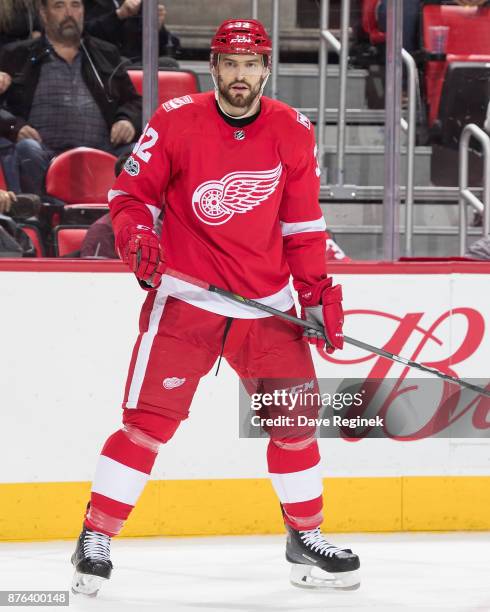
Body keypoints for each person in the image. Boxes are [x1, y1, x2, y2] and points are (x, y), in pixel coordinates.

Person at [70, 19, 360, 597]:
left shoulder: (292, 132)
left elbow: (302, 228)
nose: (240, 76)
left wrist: (319, 294)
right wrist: (138, 241)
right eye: (231, 64)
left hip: (268, 306)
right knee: (147, 426)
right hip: (187, 302)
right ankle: (95, 536)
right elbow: (130, 197)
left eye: (251, 65)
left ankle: (306, 535)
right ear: (215, 67)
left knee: (295, 427)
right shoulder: (175, 122)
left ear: (266, 69)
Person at [0, 0, 142, 196]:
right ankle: (40, 216)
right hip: (43, 152)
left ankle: (128, 217)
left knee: (137, 152)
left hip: (103, 150)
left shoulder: (105, 53)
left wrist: (126, 120)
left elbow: (134, 102)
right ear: (43, 13)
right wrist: (15, 126)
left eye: (75, 5)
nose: (69, 13)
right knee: (27, 149)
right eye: (59, 6)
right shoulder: (17, 54)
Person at [84, 0, 181, 64]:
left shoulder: (141, 3)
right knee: (121, 63)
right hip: (103, 62)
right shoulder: (86, 3)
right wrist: (118, 15)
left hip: (139, 63)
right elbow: (85, 32)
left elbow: (166, 46)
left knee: (168, 63)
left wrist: (158, 29)